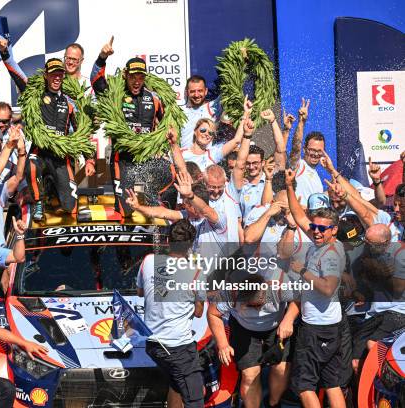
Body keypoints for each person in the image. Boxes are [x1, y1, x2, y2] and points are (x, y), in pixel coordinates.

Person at [0, 42, 96, 219]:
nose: (56, 78)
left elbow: (81, 133)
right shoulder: (34, 95)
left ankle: (52, 187)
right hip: (40, 152)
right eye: (53, 74)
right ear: (46, 76)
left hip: (61, 157)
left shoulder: (70, 103)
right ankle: (39, 201)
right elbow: (16, 74)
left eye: (60, 74)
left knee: (69, 206)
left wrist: (90, 160)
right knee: (31, 164)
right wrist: (4, 53)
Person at [90, 38, 174, 217]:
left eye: (140, 77)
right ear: (125, 75)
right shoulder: (115, 96)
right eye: (133, 76)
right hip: (123, 160)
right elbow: (96, 82)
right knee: (126, 210)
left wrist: (163, 146)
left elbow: (169, 124)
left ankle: (158, 236)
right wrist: (102, 58)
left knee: (164, 183)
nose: (137, 81)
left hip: (146, 160)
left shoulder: (155, 98)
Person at [285, 168, 347, 408]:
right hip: (327, 327)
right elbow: (300, 217)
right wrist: (290, 186)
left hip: (318, 329)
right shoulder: (322, 241)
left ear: (334, 230)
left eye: (322, 229)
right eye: (315, 227)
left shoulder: (330, 253)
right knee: (331, 384)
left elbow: (328, 288)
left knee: (304, 386)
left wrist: (302, 271)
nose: (316, 231)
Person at [137, 219, 205, 408]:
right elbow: (199, 313)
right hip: (178, 347)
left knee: (176, 384)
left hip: (153, 344)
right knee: (195, 399)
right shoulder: (195, 273)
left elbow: (141, 292)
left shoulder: (148, 261)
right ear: (191, 245)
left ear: (167, 241)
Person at [208, 273, 295, 408]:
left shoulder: (278, 288)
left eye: (258, 305)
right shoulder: (231, 293)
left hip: (276, 326)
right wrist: (223, 344)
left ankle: (273, 403)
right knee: (250, 375)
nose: (257, 310)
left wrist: (288, 320)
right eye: (250, 306)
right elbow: (213, 313)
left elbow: (298, 298)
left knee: (281, 368)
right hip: (243, 328)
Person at [349, 224, 405, 372]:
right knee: (355, 362)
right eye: (365, 240)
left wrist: (378, 270)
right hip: (374, 312)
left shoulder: (400, 253)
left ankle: (388, 384)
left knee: (372, 344)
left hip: (397, 312)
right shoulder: (367, 253)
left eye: (370, 243)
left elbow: (398, 288)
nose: (365, 245)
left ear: (385, 242)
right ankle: (360, 394)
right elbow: (363, 280)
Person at [288, 98, 325, 205]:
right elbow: (296, 147)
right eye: (312, 150)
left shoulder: (316, 175)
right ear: (304, 149)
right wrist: (301, 122)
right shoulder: (298, 166)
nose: (316, 154)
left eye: (319, 151)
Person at [180, 75, 222, 149]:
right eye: (192, 91)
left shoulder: (214, 107)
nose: (196, 95)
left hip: (206, 159)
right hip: (183, 158)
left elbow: (231, 90)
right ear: (187, 92)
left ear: (206, 91)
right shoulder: (180, 112)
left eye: (200, 91)